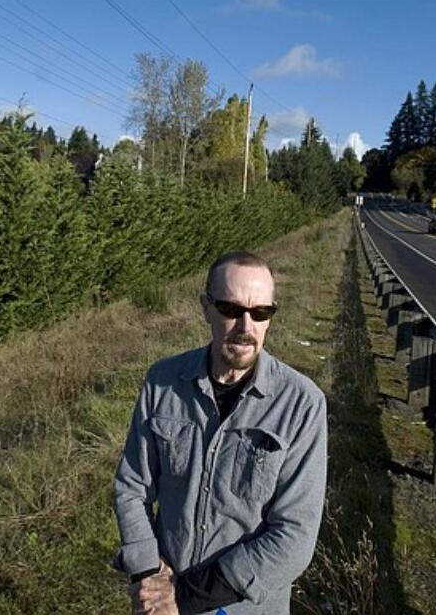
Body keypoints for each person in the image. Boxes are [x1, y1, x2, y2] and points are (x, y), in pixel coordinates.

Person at [112, 250, 328, 614]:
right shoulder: (162, 382)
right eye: (231, 310)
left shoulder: (303, 405)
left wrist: (185, 598)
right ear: (206, 308)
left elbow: (294, 536)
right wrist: (149, 575)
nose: (246, 327)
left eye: (261, 313)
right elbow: (131, 488)